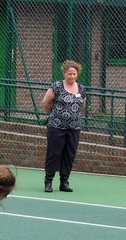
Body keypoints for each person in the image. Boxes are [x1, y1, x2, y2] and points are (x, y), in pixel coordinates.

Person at [39, 60, 85, 193]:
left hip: (74, 128)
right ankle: (48, 181)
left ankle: (64, 182)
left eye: (74, 74)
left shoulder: (81, 89)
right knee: (54, 153)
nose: (72, 76)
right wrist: (54, 115)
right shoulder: (57, 86)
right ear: (65, 73)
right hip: (56, 127)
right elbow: (46, 103)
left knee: (69, 154)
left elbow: (82, 106)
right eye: (69, 74)